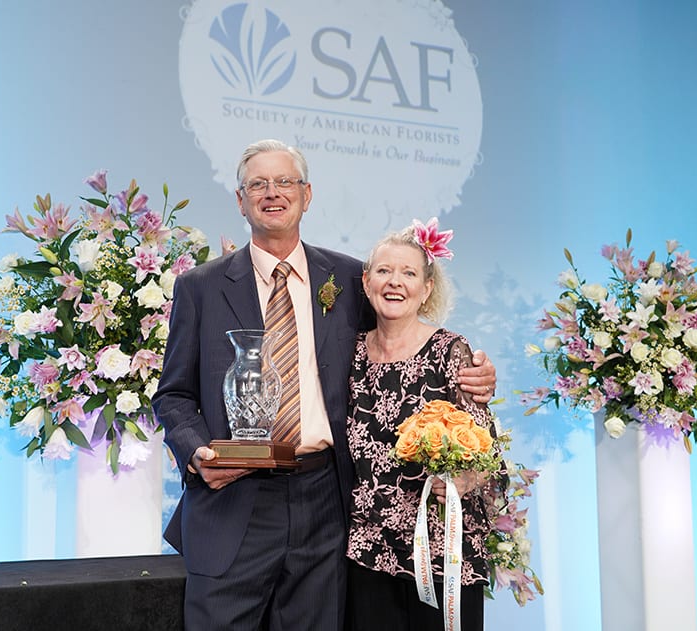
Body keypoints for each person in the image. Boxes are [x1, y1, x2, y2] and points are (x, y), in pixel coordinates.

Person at [152, 139, 495, 631]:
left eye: (285, 182)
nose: (273, 193)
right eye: (258, 184)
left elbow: (399, 343)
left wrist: (477, 373)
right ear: (240, 200)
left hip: (326, 503)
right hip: (233, 497)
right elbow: (174, 393)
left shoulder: (349, 276)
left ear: (306, 195)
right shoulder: (200, 287)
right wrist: (197, 452)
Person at [344, 221, 497, 631]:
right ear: (366, 281)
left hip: (440, 550)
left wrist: (465, 480)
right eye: (383, 271)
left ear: (427, 289)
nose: (395, 283)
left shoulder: (451, 351)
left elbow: (486, 449)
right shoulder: (350, 353)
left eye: (409, 273)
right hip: (367, 550)